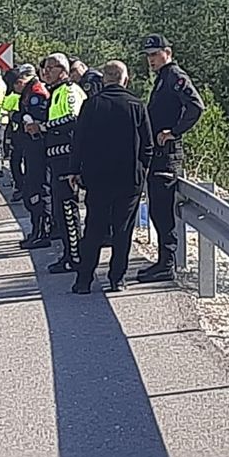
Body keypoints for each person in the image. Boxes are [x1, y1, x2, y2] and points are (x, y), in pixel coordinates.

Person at [69, 61, 153, 294]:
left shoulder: (91, 104)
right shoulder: (136, 105)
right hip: (129, 179)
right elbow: (148, 145)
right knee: (122, 230)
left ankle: (84, 280)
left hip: (97, 178)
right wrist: (142, 169)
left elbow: (79, 141)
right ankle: (117, 278)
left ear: (104, 80)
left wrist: (75, 170)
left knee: (94, 228)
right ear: (125, 79)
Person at [137, 33, 205, 283]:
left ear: (168, 52)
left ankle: (168, 262)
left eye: (155, 54)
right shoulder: (163, 79)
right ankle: (164, 260)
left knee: (162, 209)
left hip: (167, 155)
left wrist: (174, 132)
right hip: (158, 154)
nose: (151, 60)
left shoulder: (175, 76)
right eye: (148, 56)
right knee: (157, 208)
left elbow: (196, 106)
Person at [27, 53, 86, 272]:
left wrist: (43, 127)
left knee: (68, 209)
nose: (45, 72)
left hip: (67, 158)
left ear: (62, 69)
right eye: (44, 68)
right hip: (55, 157)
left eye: (50, 68)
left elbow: (73, 119)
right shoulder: (55, 92)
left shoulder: (70, 91)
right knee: (60, 210)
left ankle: (75, 256)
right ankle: (68, 253)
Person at [16, 63, 51, 249]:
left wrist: (21, 117)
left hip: (38, 146)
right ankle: (37, 230)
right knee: (32, 189)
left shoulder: (37, 91)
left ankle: (42, 231)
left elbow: (37, 116)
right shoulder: (32, 90)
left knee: (38, 190)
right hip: (32, 146)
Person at [2, 86, 23, 200]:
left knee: (15, 161)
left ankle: (19, 186)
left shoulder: (14, 96)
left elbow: (5, 106)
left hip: (16, 132)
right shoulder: (33, 93)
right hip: (22, 132)